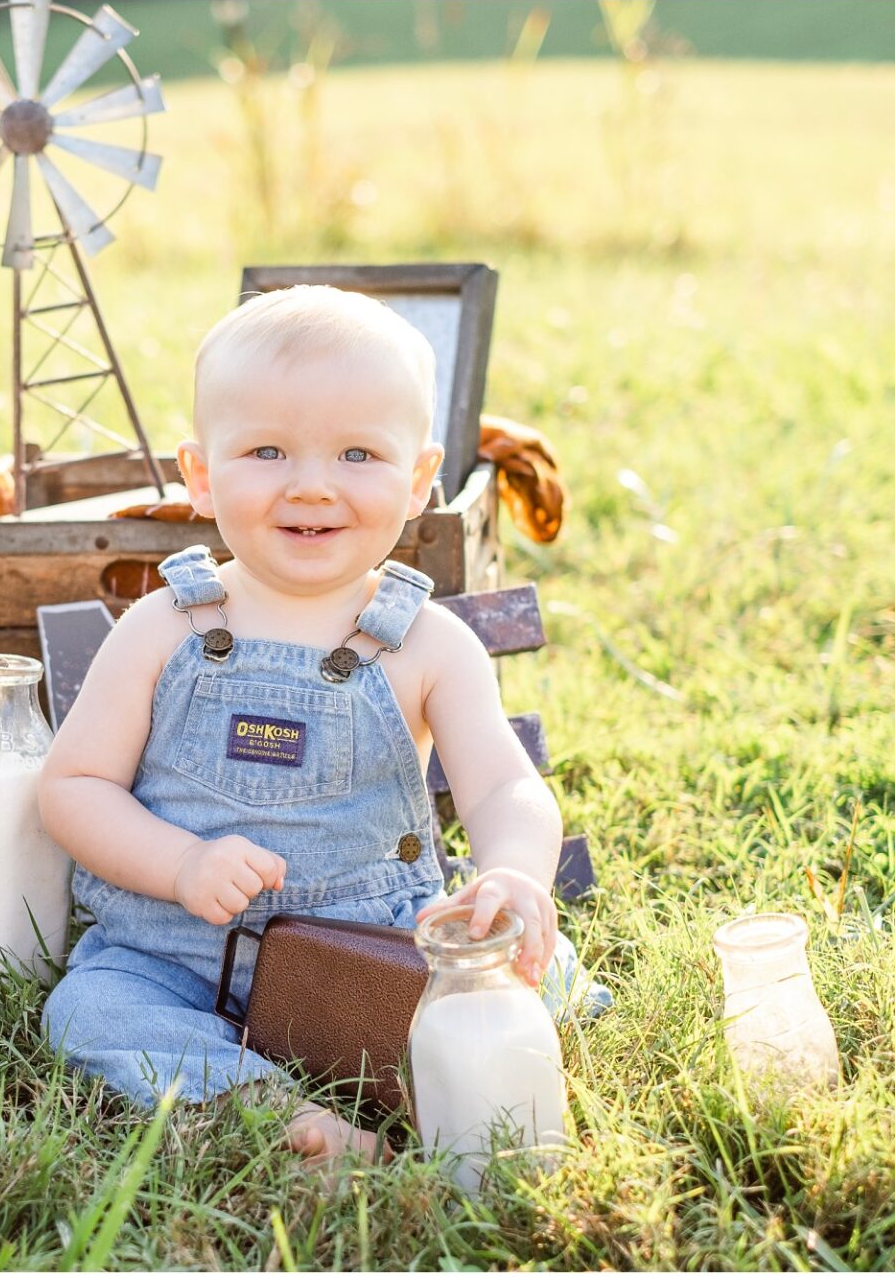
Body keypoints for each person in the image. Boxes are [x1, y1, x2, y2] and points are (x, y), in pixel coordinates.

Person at [36, 284, 601, 1161]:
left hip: (370, 954)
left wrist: (515, 872)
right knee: (90, 1011)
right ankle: (274, 1112)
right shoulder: (164, 625)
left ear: (419, 481)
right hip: (176, 959)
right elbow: (73, 789)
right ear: (200, 475)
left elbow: (502, 784)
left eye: (357, 454)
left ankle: (429, 1069)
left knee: (534, 974)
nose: (311, 486)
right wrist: (180, 862)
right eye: (266, 450)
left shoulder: (426, 643)